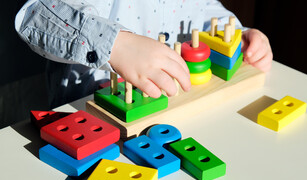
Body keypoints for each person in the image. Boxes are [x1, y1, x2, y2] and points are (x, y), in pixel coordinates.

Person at [15, 0, 272, 108]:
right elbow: (35, 15)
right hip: (92, 111)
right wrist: (117, 45)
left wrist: (237, 34)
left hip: (174, 107)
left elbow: (203, 12)